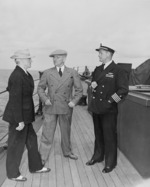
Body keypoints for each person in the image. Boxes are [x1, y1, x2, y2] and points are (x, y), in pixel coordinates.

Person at [3, 49, 50, 182]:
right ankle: (12, 174)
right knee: (15, 145)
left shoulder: (25, 74)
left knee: (32, 141)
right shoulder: (17, 75)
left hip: (26, 116)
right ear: (21, 60)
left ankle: (35, 167)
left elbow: (12, 89)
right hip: (19, 117)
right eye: (29, 59)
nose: (31, 60)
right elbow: (15, 100)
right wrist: (19, 121)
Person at [86, 43, 129, 173]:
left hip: (109, 109)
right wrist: (92, 87)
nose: (98, 55)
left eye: (101, 53)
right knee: (98, 134)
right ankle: (98, 156)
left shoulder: (118, 70)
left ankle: (110, 162)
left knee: (109, 136)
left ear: (109, 54)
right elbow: (94, 87)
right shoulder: (97, 70)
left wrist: (110, 101)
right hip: (97, 108)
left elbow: (123, 91)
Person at [38, 49, 83, 163]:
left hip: (66, 107)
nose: (54, 59)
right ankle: (42, 157)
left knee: (65, 131)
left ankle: (67, 151)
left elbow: (79, 90)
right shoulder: (47, 73)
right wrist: (45, 99)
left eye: (57, 57)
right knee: (47, 133)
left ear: (64, 58)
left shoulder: (72, 73)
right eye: (53, 57)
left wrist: (74, 102)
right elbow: (40, 88)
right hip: (50, 106)